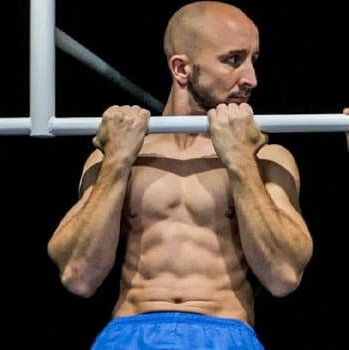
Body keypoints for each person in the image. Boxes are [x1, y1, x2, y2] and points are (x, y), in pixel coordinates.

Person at [47, 1, 314, 349]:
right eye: (234, 60)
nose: (251, 79)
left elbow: (283, 276)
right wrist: (116, 162)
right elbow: (78, 276)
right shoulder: (121, 152)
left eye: (253, 60)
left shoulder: (265, 157)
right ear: (182, 69)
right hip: (131, 332)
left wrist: (240, 162)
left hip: (223, 333)